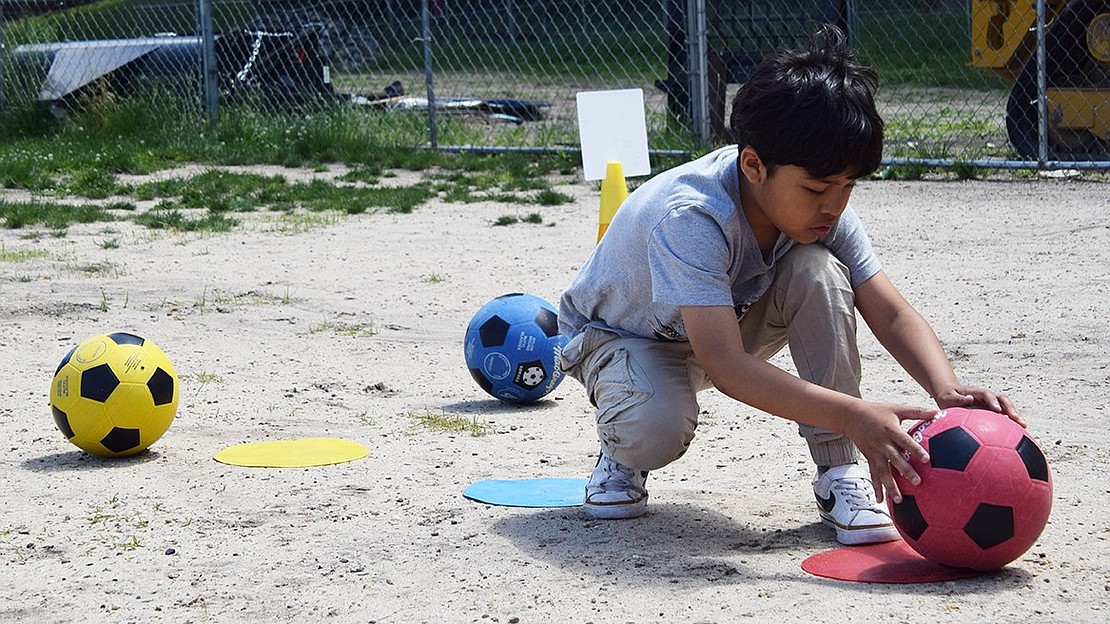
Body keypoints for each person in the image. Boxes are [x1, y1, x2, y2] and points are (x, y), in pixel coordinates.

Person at [556, 24, 1025, 545]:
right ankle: (622, 451)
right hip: (623, 338)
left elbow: (889, 310)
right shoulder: (692, 217)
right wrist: (857, 416)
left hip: (720, 328)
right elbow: (727, 367)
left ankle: (837, 473)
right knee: (655, 428)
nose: (835, 204)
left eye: (847, 186)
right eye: (817, 187)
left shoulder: (818, 212)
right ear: (753, 165)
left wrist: (946, 389)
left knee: (818, 271)